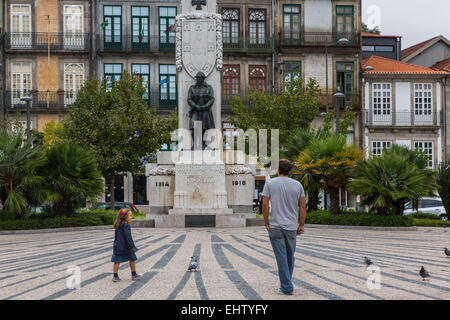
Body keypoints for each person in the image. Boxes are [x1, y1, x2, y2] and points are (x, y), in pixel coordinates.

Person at [261, 159, 306, 295]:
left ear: (278, 170)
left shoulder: (270, 184)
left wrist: (266, 221)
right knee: (289, 256)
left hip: (275, 226)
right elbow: (302, 206)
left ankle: (286, 286)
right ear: (289, 171)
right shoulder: (298, 185)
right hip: (291, 226)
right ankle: (287, 283)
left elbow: (264, 205)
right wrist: (302, 224)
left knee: (281, 256)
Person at [111, 208, 142, 282]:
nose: (131, 217)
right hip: (126, 246)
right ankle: (134, 275)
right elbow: (128, 236)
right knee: (132, 259)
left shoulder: (118, 224)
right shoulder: (126, 225)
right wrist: (132, 246)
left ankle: (115, 276)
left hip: (118, 246)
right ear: (125, 217)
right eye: (130, 215)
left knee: (117, 261)